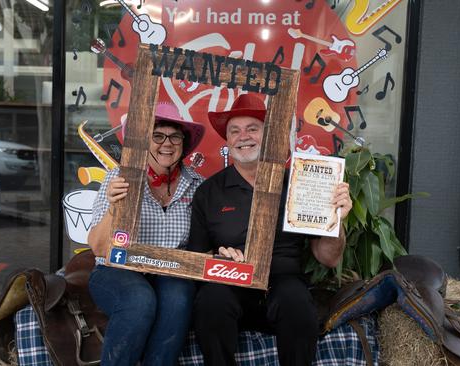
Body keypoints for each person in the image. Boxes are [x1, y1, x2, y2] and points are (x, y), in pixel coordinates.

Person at [187, 94, 353, 366]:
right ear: (227, 140)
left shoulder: (298, 182)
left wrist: (337, 219)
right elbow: (196, 257)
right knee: (210, 302)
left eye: (252, 128)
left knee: (298, 305)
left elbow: (329, 258)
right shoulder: (209, 192)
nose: (244, 136)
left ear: (269, 135)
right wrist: (218, 259)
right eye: (235, 130)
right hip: (232, 282)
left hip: (283, 281)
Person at [87, 102, 205, 366]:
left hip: (170, 271)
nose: (167, 143)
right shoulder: (120, 177)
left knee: (179, 296)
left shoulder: (198, 185)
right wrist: (116, 206)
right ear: (143, 141)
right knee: (139, 300)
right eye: (158, 135)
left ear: (183, 143)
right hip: (116, 271)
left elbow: (204, 244)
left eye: (175, 136)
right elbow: (97, 247)